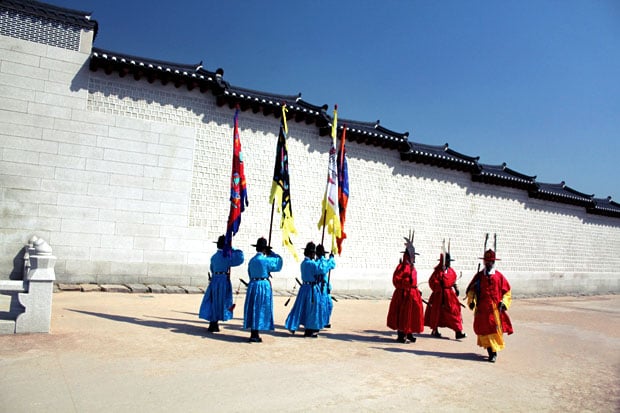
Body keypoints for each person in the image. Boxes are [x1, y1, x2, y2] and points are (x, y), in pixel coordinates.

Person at [466, 249, 513, 362]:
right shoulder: (479, 276)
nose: (488, 264)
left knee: (494, 329)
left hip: (494, 309)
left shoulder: (499, 276)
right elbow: (471, 290)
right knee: (484, 331)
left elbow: (507, 291)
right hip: (482, 308)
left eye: (490, 262)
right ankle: (490, 351)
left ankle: (494, 352)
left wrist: (504, 303)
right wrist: (471, 300)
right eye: (486, 261)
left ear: (493, 262)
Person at [198, 235, 245, 333]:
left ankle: (213, 322)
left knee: (213, 300)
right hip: (223, 280)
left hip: (214, 279)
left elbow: (212, 268)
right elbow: (240, 258)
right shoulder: (226, 256)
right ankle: (215, 322)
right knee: (221, 301)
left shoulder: (214, 257)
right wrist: (232, 248)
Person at [386, 232, 424, 343]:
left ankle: (410, 332)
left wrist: (416, 289)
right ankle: (401, 334)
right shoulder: (401, 267)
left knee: (412, 314)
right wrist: (406, 283)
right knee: (402, 314)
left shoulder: (413, 267)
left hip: (413, 294)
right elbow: (396, 280)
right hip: (403, 294)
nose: (413, 257)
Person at [243, 237, 283, 343]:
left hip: (253, 284)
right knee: (260, 308)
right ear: (264, 249)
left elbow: (250, 273)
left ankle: (253, 332)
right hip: (262, 285)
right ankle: (255, 334)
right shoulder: (265, 260)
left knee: (253, 308)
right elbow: (278, 263)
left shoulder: (252, 260)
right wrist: (272, 253)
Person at [284, 242, 324, 337]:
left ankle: (294, 325)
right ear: (311, 254)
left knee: (301, 307)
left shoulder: (304, 263)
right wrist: (324, 259)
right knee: (311, 309)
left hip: (304, 288)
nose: (314, 255)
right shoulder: (311, 264)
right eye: (314, 253)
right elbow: (322, 269)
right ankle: (309, 330)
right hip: (311, 288)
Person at [424, 252, 467, 340]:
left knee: (454, 312)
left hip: (450, 295)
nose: (449, 263)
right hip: (438, 295)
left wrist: (456, 288)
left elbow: (454, 280)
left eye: (449, 261)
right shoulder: (437, 272)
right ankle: (435, 330)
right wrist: (439, 285)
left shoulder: (451, 271)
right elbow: (431, 281)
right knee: (437, 313)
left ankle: (458, 332)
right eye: (447, 261)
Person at [316, 244, 336, 329]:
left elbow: (330, 265)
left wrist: (331, 259)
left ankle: (325, 321)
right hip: (320, 286)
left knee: (328, 304)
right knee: (321, 304)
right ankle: (319, 322)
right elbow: (326, 267)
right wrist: (331, 259)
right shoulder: (318, 262)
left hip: (325, 286)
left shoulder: (322, 261)